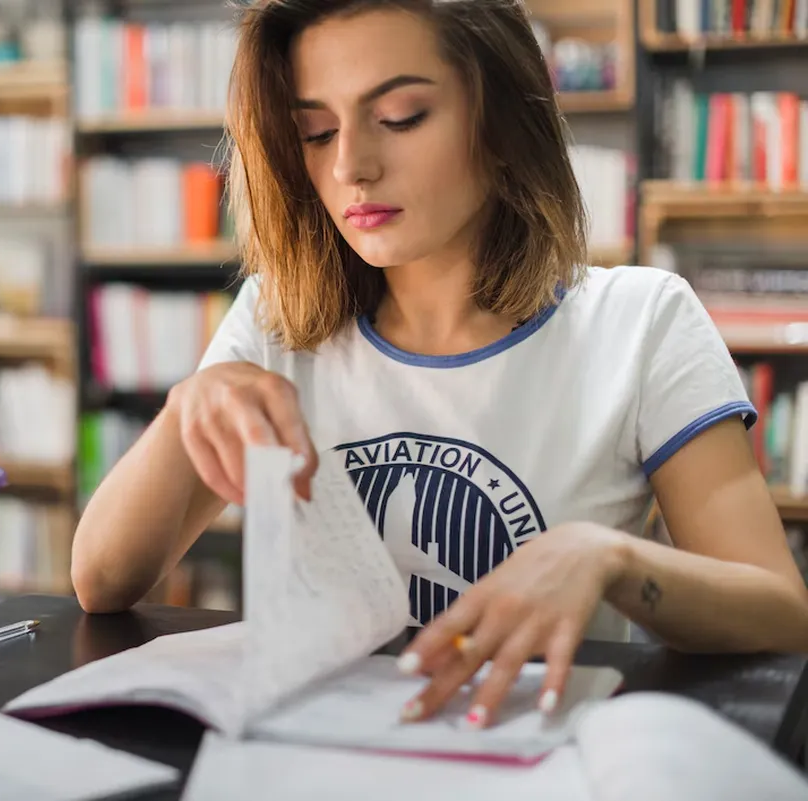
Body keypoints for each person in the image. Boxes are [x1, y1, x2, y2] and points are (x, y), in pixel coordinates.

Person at [71, 0, 808, 729]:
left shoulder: (641, 321)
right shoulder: (278, 320)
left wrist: (605, 558)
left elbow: (782, 613)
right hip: (315, 756)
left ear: (502, 123)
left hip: (521, 755)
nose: (351, 165)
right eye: (316, 132)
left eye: (400, 117)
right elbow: (101, 580)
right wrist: (188, 408)